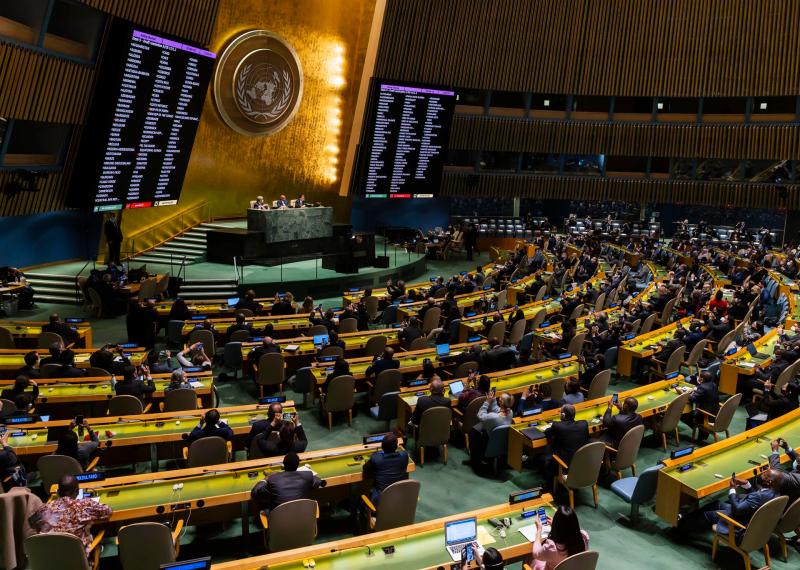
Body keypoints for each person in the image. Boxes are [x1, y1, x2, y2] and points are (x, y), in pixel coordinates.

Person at [677, 468, 784, 537]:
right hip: (747, 514)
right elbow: (755, 499)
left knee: (707, 515)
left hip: (738, 522)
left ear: (769, 482)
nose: (763, 473)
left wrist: (732, 489)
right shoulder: (775, 492)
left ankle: (681, 527)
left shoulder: (759, 496)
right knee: (715, 503)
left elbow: (738, 509)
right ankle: (687, 517)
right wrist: (747, 484)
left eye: (766, 474)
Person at [31, 474, 112, 557]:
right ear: (77, 491)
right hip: (78, 560)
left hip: (51, 559)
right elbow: (108, 511)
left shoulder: (43, 509)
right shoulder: (84, 505)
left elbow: (31, 523)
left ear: (58, 492)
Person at [251, 452, 324, 511]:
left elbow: (255, 493)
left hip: (279, 521)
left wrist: (265, 479)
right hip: (302, 518)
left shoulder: (272, 479)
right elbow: (318, 481)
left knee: (265, 508)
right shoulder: (307, 475)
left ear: (283, 465)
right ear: (297, 465)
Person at [531, 506, 589, 570]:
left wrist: (539, 530)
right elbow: (571, 529)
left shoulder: (552, 548)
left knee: (533, 561)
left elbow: (535, 553)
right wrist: (557, 526)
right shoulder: (584, 537)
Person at [544, 404, 590, 484]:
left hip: (565, 465)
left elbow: (547, 432)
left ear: (563, 415)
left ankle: (549, 484)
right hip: (581, 463)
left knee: (546, 455)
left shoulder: (557, 425)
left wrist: (553, 424)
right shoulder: (584, 424)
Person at [466, 392, 514, 466]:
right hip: (501, 440)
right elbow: (497, 409)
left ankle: (475, 460)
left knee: (473, 431)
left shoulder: (493, 417)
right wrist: (493, 399)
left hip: (490, 439)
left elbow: (480, 415)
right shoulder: (510, 412)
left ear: (501, 402)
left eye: (500, 398)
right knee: (477, 428)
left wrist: (487, 402)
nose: (499, 398)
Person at [362, 433, 409, 504]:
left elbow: (365, 469)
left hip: (381, 502)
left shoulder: (376, 458)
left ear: (382, 447)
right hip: (399, 499)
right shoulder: (404, 456)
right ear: (396, 446)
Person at [681, 371, 719, 440]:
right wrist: (697, 388)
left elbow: (692, 399)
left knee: (682, 415)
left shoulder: (703, 387)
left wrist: (683, 393)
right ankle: (701, 434)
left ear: (702, 379)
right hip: (714, 413)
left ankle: (696, 426)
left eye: (699, 377)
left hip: (705, 416)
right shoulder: (713, 385)